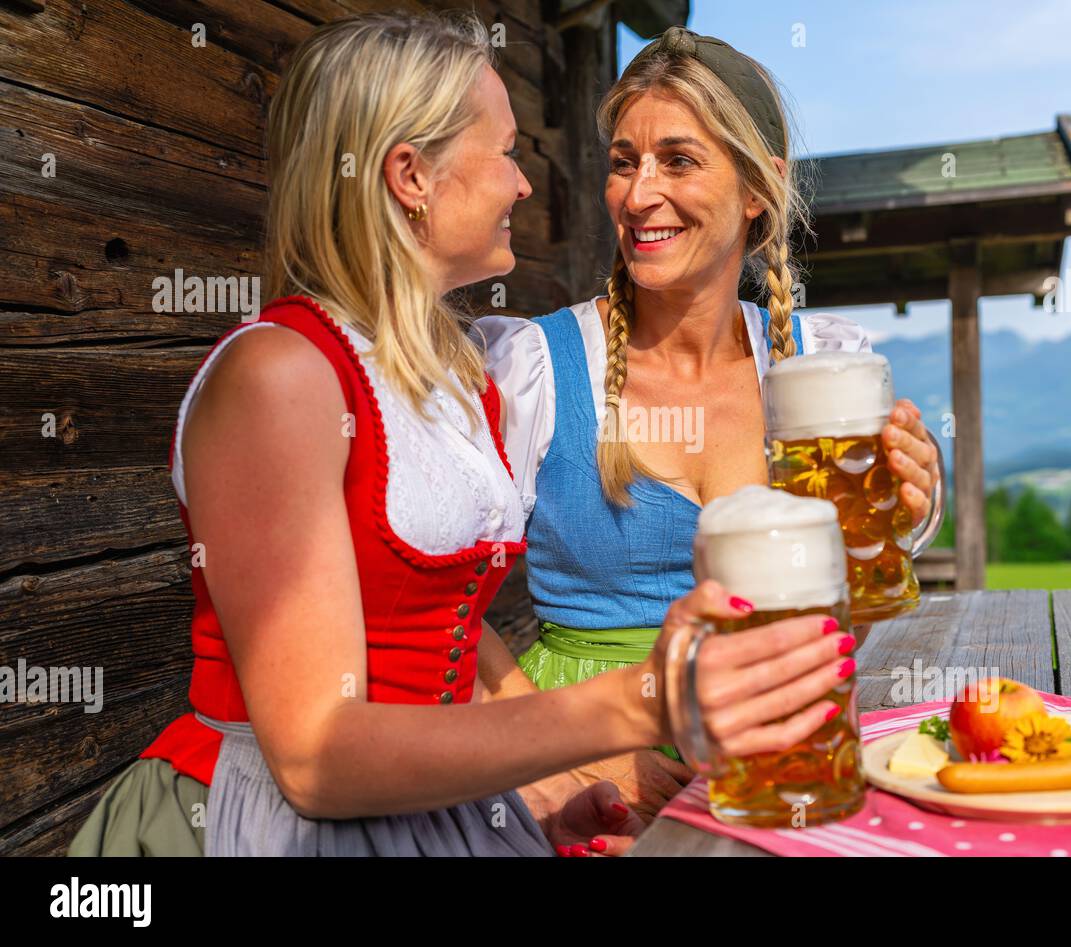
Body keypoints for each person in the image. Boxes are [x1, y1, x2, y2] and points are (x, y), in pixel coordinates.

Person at [67, 12, 857, 858]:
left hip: (422, 812)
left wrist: (531, 796)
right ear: (410, 175)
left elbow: (427, 640)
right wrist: (636, 704)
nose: (526, 185)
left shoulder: (439, 380)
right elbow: (311, 757)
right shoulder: (279, 375)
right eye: (508, 152)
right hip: (248, 821)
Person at [480, 27, 943, 823]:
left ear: (760, 186)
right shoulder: (534, 367)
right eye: (625, 162)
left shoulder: (820, 373)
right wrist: (554, 753)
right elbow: (436, 604)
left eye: (679, 160)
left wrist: (899, 516)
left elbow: (841, 623)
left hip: (781, 754)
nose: (638, 192)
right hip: (576, 768)